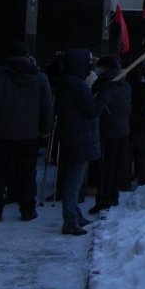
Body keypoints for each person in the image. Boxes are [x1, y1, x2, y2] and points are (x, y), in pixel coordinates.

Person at [0, 42, 53, 222]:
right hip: (28, 133)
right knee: (27, 172)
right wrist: (46, 129)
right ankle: (28, 209)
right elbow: (46, 106)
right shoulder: (39, 77)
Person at [54, 48, 105, 235]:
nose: (90, 67)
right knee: (73, 182)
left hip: (73, 136)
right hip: (79, 138)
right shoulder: (76, 85)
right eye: (88, 63)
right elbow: (92, 110)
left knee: (74, 179)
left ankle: (75, 214)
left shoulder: (68, 83)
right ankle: (70, 219)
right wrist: (104, 95)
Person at [89, 56, 131, 214]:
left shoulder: (106, 85)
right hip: (123, 129)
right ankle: (113, 195)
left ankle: (103, 199)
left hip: (107, 130)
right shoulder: (125, 85)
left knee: (105, 167)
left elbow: (97, 108)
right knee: (116, 165)